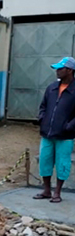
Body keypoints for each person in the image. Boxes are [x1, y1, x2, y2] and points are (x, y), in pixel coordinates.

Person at [33, 56, 75, 204]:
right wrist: (42, 118)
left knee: (62, 163)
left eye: (60, 68)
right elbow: (43, 106)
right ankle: (46, 190)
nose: (57, 71)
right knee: (45, 161)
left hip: (65, 136)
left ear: (69, 70)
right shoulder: (51, 88)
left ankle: (57, 192)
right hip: (47, 133)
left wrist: (69, 126)